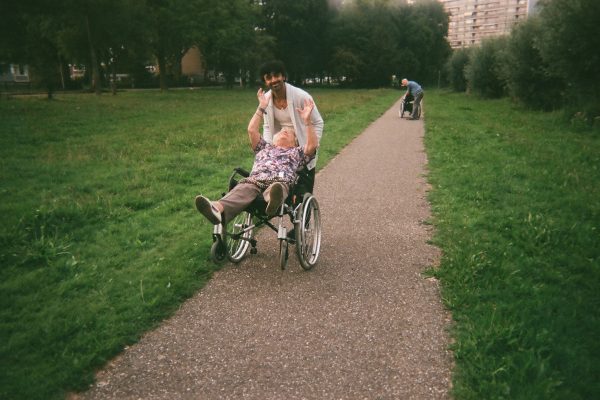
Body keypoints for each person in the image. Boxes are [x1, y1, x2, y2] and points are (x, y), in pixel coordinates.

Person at [195, 89, 319, 225]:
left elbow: (312, 146)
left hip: (280, 181)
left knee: (277, 187)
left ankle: (272, 201)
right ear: (273, 138)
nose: (284, 131)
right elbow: (251, 130)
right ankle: (216, 209)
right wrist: (261, 108)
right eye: (281, 131)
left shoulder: (296, 152)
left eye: (289, 133)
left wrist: (307, 121)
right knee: (244, 187)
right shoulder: (264, 147)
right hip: (255, 181)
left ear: (295, 142)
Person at [258, 60, 324, 194]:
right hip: (281, 146)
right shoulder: (266, 99)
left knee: (303, 191)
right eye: (269, 78)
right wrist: (269, 148)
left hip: (302, 146)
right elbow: (267, 126)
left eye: (277, 75)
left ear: (283, 76)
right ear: (265, 82)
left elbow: (318, 122)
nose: (274, 80)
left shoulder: (301, 96)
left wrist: (311, 146)